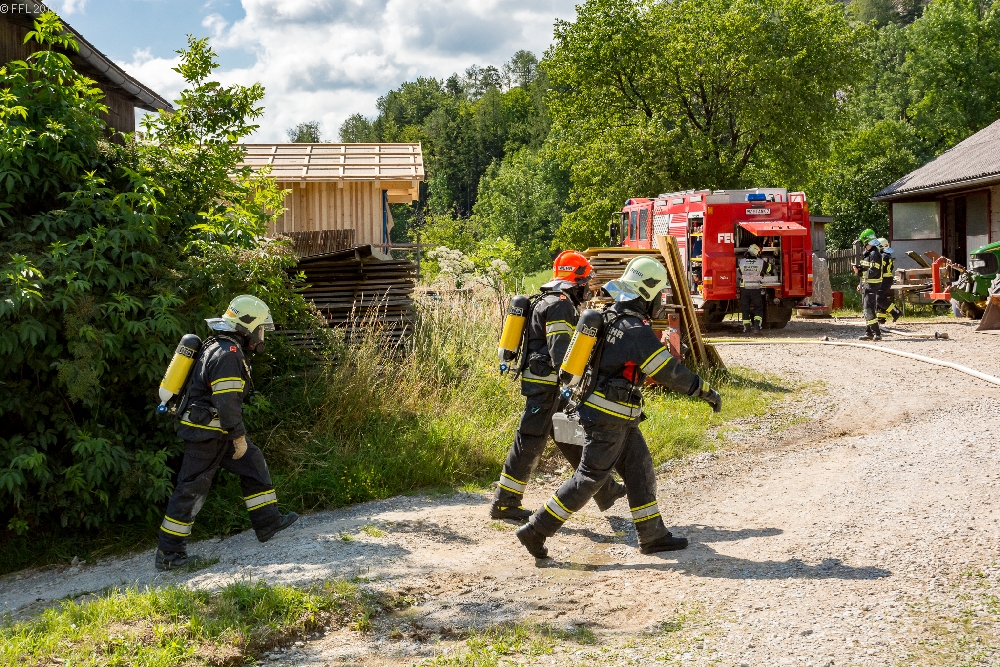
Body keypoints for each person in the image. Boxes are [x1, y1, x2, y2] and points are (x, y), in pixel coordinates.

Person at [515, 257, 722, 558]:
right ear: (647, 293)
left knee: (639, 468)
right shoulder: (634, 329)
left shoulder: (610, 316)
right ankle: (536, 529)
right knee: (589, 477)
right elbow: (667, 371)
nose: (661, 303)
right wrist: (705, 391)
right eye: (660, 295)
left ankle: (652, 535)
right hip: (608, 416)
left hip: (616, 414)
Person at [155, 295, 298, 571]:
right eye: (260, 329)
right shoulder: (228, 354)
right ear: (247, 326)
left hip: (216, 432)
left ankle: (268, 522)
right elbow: (227, 402)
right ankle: (169, 554)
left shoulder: (219, 346)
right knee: (191, 489)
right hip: (207, 435)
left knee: (253, 463)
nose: (261, 335)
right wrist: (238, 436)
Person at [491, 251, 627, 521]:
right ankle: (504, 502)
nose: (587, 288)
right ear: (575, 280)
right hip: (548, 386)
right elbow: (560, 349)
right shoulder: (560, 305)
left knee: (569, 435)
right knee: (529, 439)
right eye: (585, 282)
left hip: (546, 383)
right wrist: (574, 380)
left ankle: (605, 489)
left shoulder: (546, 299)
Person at [737, 244, 773, 334]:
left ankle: (746, 328)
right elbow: (770, 270)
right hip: (755, 289)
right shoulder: (761, 262)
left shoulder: (742, 262)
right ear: (757, 252)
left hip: (744, 289)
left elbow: (740, 272)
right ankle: (757, 328)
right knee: (758, 308)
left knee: (745, 308)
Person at [856, 237, 884, 341]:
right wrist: (861, 282)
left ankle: (877, 333)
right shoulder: (867, 254)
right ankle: (869, 333)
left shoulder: (874, 254)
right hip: (867, 284)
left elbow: (874, 271)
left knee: (869, 308)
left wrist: (860, 273)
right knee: (866, 309)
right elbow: (866, 270)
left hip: (873, 285)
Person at [875, 238, 901, 324]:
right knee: (881, 297)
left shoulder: (883, 257)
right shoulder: (887, 255)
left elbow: (879, 268)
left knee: (879, 298)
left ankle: (895, 311)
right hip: (887, 279)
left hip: (884, 279)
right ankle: (881, 318)